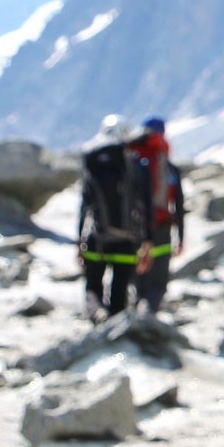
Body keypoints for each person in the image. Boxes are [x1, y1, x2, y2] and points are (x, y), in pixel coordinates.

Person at [78, 120, 152, 321]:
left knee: (93, 286)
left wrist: (79, 240)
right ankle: (114, 331)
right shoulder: (135, 164)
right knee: (119, 291)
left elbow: (85, 205)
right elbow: (145, 205)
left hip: (97, 238)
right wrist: (147, 240)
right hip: (127, 240)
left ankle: (97, 321)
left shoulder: (92, 161)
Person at [127, 116, 185, 313]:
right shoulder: (169, 168)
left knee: (138, 275)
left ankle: (136, 310)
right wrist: (181, 237)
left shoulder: (133, 161)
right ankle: (151, 314)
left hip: (135, 227)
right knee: (158, 277)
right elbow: (178, 204)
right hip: (162, 226)